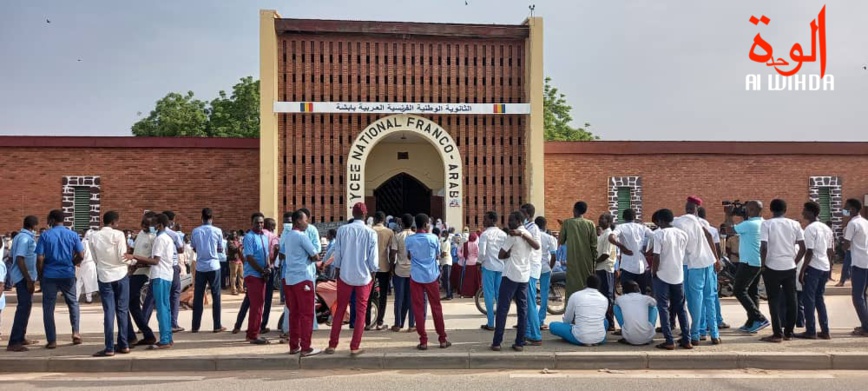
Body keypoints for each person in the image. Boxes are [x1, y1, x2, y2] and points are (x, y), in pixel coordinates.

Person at [326, 202, 379, 356]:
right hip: (363, 277)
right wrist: (373, 274)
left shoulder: (342, 230)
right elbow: (373, 259)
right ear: (365, 215)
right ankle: (354, 346)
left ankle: (332, 345)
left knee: (340, 310)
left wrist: (337, 271)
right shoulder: (370, 233)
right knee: (361, 312)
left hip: (345, 275)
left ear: (353, 214)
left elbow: (338, 254)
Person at [672, 196, 721, 345]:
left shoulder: (678, 222)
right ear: (696, 210)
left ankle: (696, 334)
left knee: (695, 301)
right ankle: (714, 334)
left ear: (686, 208)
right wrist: (716, 259)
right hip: (708, 262)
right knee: (710, 298)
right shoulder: (702, 222)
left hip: (692, 265)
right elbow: (709, 235)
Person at [491, 211, 540, 352]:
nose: (508, 223)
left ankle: (497, 342)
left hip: (510, 274)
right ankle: (519, 342)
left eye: (511, 220)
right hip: (524, 276)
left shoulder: (512, 235)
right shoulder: (527, 234)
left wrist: (509, 253)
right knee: (522, 310)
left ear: (519, 220)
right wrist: (523, 235)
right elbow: (536, 246)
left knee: (502, 309)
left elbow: (500, 255)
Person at [36, 209, 85, 349]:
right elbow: (81, 255)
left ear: (51, 220)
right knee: (73, 303)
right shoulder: (73, 234)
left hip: (50, 274)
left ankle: (52, 340)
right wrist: (71, 263)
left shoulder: (45, 235)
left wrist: (41, 274)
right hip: (67, 274)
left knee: (48, 307)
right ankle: (76, 332)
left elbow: (39, 257)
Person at [125, 213, 175, 349]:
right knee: (165, 307)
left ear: (160, 225)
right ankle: (167, 337)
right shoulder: (165, 238)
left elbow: (155, 261)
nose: (152, 227)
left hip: (160, 275)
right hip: (164, 275)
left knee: (162, 309)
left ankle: (165, 339)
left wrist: (134, 256)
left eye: (154, 224)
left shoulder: (159, 239)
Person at [759, 199, 805, 343]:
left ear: (771, 210)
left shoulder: (766, 224)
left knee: (773, 300)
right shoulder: (795, 224)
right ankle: (789, 333)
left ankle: (777, 333)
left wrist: (762, 265)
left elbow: (764, 247)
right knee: (792, 299)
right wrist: (795, 262)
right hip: (789, 266)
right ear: (785, 210)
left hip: (772, 266)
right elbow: (803, 247)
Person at [89, 211, 132, 356]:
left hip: (104, 276)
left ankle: (109, 347)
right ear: (114, 222)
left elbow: (94, 258)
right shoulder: (119, 234)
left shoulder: (93, 236)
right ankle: (124, 344)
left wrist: (103, 266)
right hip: (120, 274)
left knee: (109, 312)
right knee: (122, 310)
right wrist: (134, 261)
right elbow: (122, 257)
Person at [406, 213, 451, 350]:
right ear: (426, 225)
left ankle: (423, 340)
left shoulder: (409, 239)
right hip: (431, 276)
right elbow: (437, 255)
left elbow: (409, 256)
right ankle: (442, 338)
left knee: (418, 309)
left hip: (416, 277)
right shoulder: (433, 238)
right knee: (436, 307)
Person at [281, 210, 322, 356]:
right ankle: (306, 347)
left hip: (290, 279)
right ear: (298, 221)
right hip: (303, 278)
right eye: (306, 220)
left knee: (294, 314)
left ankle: (294, 346)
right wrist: (312, 258)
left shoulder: (288, 235)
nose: (307, 223)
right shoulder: (301, 236)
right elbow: (315, 255)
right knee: (307, 314)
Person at [724, 200, 769, 333]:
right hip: (758, 262)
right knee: (752, 292)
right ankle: (752, 322)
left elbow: (728, 230)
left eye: (747, 209)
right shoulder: (763, 222)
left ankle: (759, 318)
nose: (745, 211)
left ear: (753, 210)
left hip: (748, 262)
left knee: (739, 290)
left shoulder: (749, 224)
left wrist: (728, 215)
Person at [650, 209, 692, 350]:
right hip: (678, 274)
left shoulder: (659, 234)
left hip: (662, 274)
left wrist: (653, 272)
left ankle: (669, 340)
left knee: (663, 307)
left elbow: (656, 256)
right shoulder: (683, 234)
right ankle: (687, 339)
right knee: (681, 307)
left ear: (661, 220)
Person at [796, 201, 834, 340]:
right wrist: (829, 269)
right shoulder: (826, 228)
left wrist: (801, 271)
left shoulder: (810, 229)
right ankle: (825, 330)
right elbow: (831, 251)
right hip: (824, 266)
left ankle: (811, 331)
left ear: (811, 212)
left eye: (804, 210)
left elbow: (809, 251)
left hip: (813, 267)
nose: (802, 212)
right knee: (819, 299)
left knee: (808, 300)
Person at [6, 216, 39, 352]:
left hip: (24, 277)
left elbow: (13, 256)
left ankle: (21, 337)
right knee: (23, 308)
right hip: (23, 279)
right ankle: (14, 341)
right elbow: (19, 259)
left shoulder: (22, 237)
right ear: (34, 226)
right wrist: (28, 279)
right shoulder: (25, 238)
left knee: (26, 308)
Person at [189, 208, 226, 333]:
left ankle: (195, 326)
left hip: (200, 266)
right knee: (216, 296)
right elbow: (220, 248)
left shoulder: (195, 231)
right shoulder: (217, 231)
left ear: (202, 218)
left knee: (198, 296)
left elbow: (193, 247)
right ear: (212, 218)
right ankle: (217, 325)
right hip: (214, 265)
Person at [550, 275, 609, 346]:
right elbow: (601, 318)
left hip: (580, 338)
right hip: (600, 338)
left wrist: (571, 325)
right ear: (599, 286)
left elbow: (567, 319)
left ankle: (582, 339)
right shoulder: (604, 299)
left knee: (552, 325)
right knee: (606, 322)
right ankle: (595, 338)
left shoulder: (575, 295)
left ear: (586, 284)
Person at [240, 213, 272, 345]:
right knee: (257, 306)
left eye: (261, 222)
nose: (259, 225)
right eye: (257, 222)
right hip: (253, 274)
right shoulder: (249, 237)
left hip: (262, 274)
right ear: (251, 223)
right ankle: (253, 335)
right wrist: (261, 270)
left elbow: (267, 255)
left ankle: (252, 332)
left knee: (259, 305)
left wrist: (268, 267)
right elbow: (249, 257)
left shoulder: (264, 237)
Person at [126, 213, 157, 347]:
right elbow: (135, 251)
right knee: (133, 306)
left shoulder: (154, 238)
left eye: (147, 224)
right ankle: (147, 334)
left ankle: (130, 336)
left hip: (143, 272)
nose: (144, 226)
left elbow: (153, 260)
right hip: (134, 271)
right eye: (143, 223)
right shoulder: (140, 234)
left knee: (123, 302)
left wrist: (137, 262)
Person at [609, 209, 653, 294]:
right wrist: (650, 252)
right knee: (642, 292)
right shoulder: (642, 227)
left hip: (627, 265)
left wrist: (621, 247)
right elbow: (657, 238)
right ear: (635, 217)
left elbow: (611, 238)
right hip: (641, 265)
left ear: (623, 217)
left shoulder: (621, 227)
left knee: (627, 293)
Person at [559, 201, 598, 297]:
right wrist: (594, 262)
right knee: (586, 286)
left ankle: (571, 309)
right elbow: (594, 245)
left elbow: (561, 240)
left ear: (574, 210)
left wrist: (562, 227)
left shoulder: (567, 223)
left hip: (572, 261)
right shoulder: (590, 224)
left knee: (572, 287)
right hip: (587, 261)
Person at [519, 203, 544, 345]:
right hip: (528, 268)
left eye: (522, 213)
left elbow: (535, 246)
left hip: (531, 269)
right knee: (527, 303)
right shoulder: (528, 228)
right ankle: (528, 332)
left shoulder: (532, 228)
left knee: (530, 303)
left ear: (527, 214)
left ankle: (535, 334)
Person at [478, 211, 507, 331]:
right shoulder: (503, 234)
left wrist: (479, 262)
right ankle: (500, 322)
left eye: (485, 219)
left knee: (489, 295)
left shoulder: (485, 235)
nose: (483, 221)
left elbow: (482, 253)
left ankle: (491, 322)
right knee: (500, 295)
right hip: (501, 267)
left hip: (489, 267)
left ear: (491, 220)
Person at [843, 198, 868, 336]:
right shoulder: (865, 222)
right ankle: (865, 324)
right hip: (866, 261)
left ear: (852, 209)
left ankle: (866, 328)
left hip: (859, 263)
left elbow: (846, 244)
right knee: (863, 295)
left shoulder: (852, 224)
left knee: (857, 297)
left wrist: (843, 246)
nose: (845, 210)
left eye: (846, 208)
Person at [370, 211, 397, 331]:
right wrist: (392, 267)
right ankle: (380, 322)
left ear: (375, 219)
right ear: (384, 220)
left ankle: (367, 322)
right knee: (383, 296)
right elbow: (392, 253)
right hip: (384, 266)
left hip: (370, 267)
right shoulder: (389, 232)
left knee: (368, 294)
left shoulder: (369, 230)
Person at [391, 214, 417, 332]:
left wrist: (392, 268)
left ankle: (397, 323)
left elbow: (393, 254)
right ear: (412, 224)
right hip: (412, 271)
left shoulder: (397, 236)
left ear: (401, 224)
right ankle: (411, 324)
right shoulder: (415, 236)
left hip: (400, 270)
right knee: (412, 298)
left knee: (399, 298)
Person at [614, 280, 657, 345]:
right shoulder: (645, 298)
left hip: (629, 338)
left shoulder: (620, 299)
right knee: (653, 307)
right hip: (648, 337)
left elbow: (616, 303)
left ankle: (625, 329)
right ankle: (649, 328)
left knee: (615, 307)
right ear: (638, 289)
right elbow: (654, 303)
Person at [595, 213, 617, 331]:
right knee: (603, 295)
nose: (599, 220)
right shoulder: (602, 234)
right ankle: (605, 321)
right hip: (600, 268)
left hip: (606, 268)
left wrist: (594, 263)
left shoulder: (609, 234)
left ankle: (610, 322)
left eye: (602, 219)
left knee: (608, 296)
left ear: (608, 221)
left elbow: (605, 254)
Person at [535, 217, 557, 330]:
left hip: (533, 268)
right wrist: (550, 267)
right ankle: (540, 321)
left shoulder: (532, 236)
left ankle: (531, 320)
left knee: (530, 295)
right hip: (545, 268)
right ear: (545, 225)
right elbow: (554, 255)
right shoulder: (550, 238)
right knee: (544, 295)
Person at [75, 230, 98, 304]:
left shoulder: (84, 242)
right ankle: (89, 299)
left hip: (85, 264)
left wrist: (77, 262)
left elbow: (81, 254)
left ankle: (76, 298)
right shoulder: (94, 243)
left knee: (80, 281)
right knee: (89, 281)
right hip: (91, 263)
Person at [458, 232, 481, 298]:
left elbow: (463, 255)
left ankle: (465, 293)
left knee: (467, 280)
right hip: (474, 263)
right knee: (474, 279)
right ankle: (475, 293)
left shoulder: (465, 244)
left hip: (467, 263)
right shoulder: (476, 244)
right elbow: (478, 254)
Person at [437, 228, 453, 301]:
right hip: (444, 262)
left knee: (446, 279)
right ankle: (449, 294)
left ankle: (449, 294)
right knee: (445, 279)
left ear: (446, 235)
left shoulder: (446, 243)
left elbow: (444, 253)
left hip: (447, 262)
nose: (442, 236)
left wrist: (438, 257)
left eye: (443, 235)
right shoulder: (443, 242)